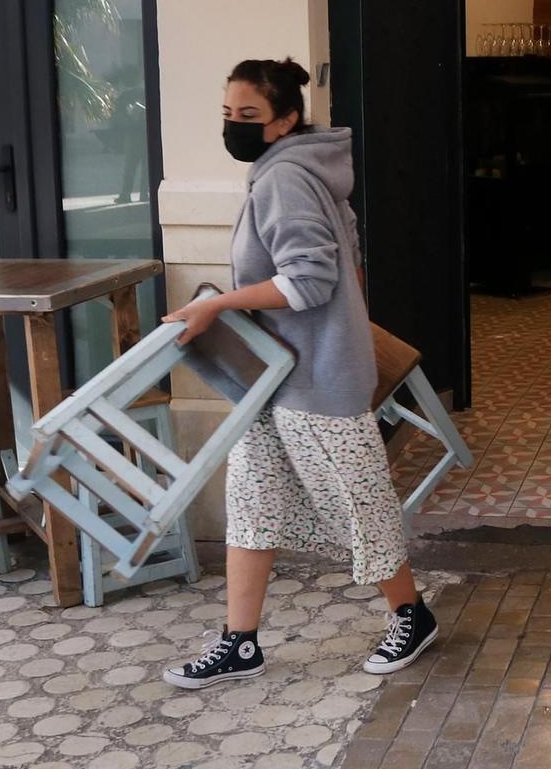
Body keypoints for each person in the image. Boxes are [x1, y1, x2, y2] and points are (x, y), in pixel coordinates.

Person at [159, 57, 437, 688]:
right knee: (252, 503)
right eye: (228, 114)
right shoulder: (291, 169)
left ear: (284, 120)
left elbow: (310, 281)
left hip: (315, 379)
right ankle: (240, 641)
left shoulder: (284, 178)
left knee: (359, 503)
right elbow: (344, 265)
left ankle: (412, 615)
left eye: (248, 116)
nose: (234, 125)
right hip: (278, 379)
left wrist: (217, 305)